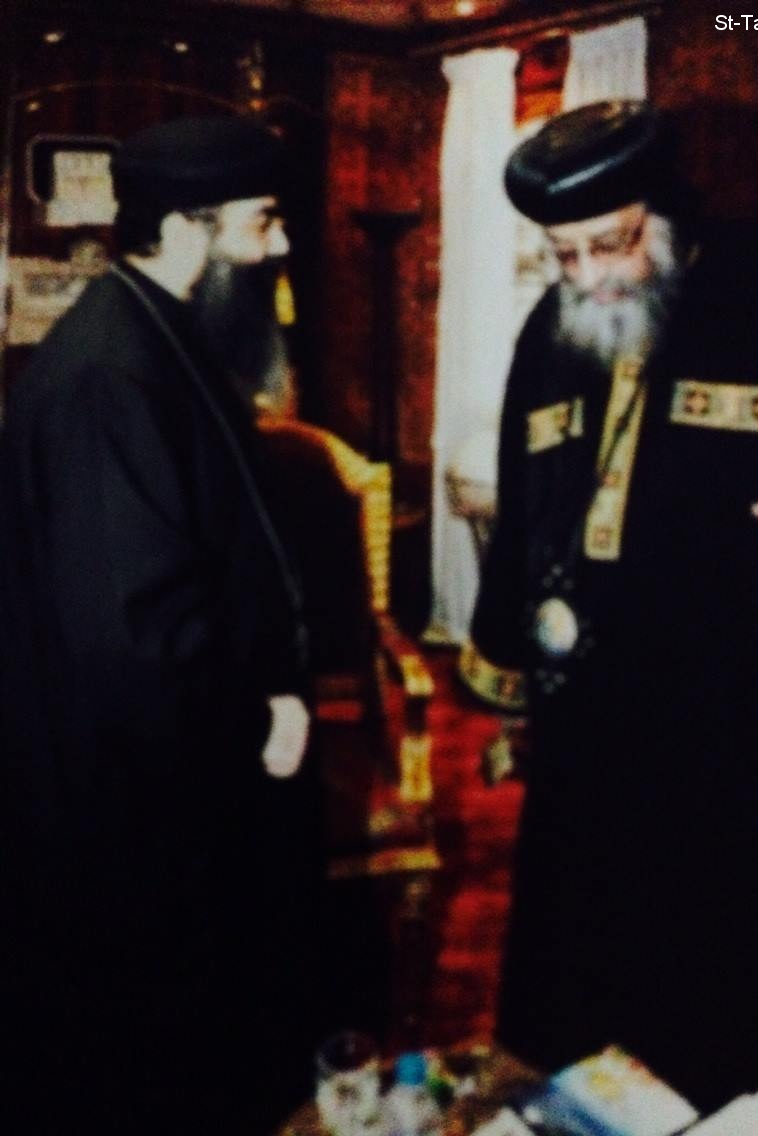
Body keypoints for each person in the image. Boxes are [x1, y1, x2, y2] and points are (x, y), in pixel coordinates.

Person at [461, 101, 758, 1128]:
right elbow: (527, 509)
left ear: (669, 211)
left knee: (740, 1015)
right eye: (564, 254)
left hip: (753, 742)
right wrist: (507, 670)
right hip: (595, 738)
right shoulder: (551, 330)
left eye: (614, 243)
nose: (588, 275)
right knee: (590, 1004)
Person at [0, 116, 324, 1135]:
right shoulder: (109, 372)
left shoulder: (156, 332)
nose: (280, 244)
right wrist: (257, 718)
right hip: (135, 803)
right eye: (261, 222)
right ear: (187, 228)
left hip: (176, 774)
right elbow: (129, 633)